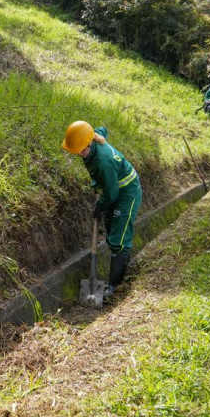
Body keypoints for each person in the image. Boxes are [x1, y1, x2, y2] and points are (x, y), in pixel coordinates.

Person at [62, 121, 142, 297]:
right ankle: (123, 269)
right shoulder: (93, 138)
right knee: (111, 230)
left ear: (89, 144)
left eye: (81, 151)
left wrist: (100, 205)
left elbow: (111, 193)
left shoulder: (103, 161)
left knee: (118, 237)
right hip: (113, 190)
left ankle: (115, 286)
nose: (80, 155)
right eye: (77, 152)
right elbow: (102, 129)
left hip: (127, 193)